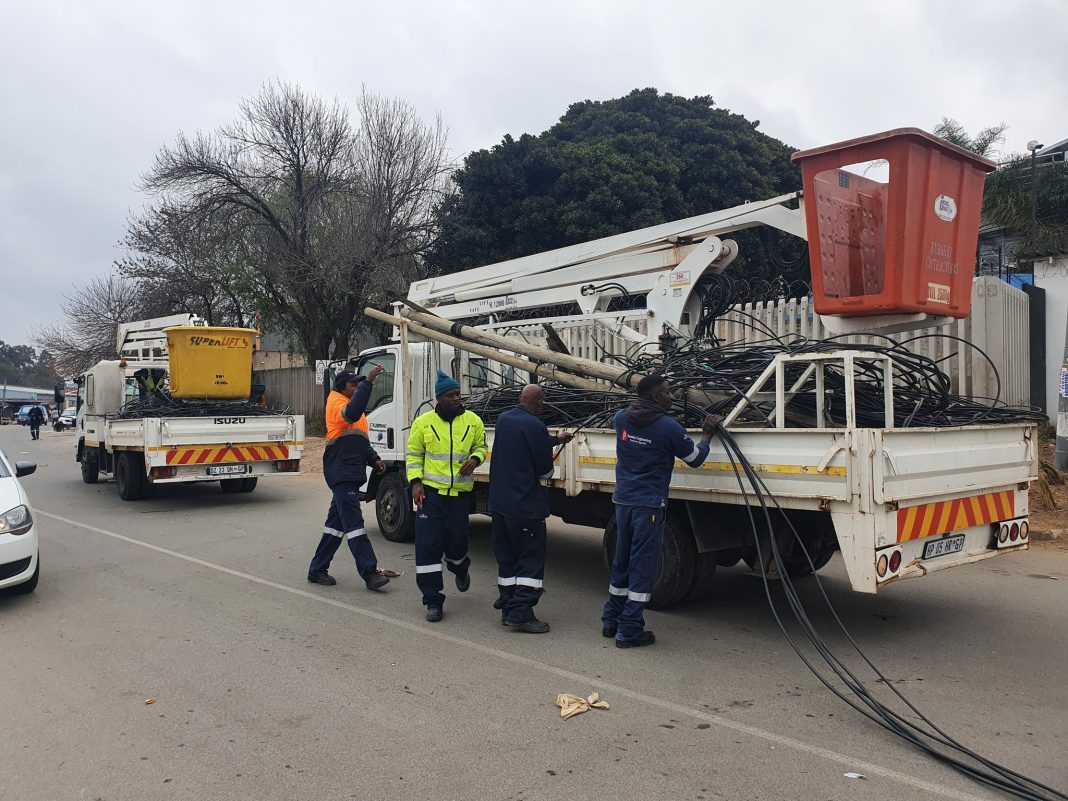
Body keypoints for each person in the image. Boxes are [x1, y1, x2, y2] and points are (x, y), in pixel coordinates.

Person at [602, 374, 720, 648]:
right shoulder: (668, 427)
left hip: (623, 501)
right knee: (643, 565)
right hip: (648, 505)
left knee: (621, 561)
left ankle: (611, 620)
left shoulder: (621, 418)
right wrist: (706, 435)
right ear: (655, 397)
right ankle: (629, 631)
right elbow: (695, 459)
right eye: (667, 392)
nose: (672, 396)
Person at [488, 384, 573, 633]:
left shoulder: (504, 419)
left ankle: (508, 607)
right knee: (530, 559)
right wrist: (548, 452)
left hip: (500, 504)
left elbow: (522, 442)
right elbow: (545, 470)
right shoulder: (535, 425)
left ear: (519, 398)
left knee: (507, 558)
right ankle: (522, 612)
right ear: (540, 403)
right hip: (524, 506)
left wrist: (555, 440)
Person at [406, 370, 488, 622]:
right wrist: (415, 482)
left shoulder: (473, 421)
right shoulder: (423, 422)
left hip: (459, 497)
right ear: (439, 398)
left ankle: (459, 567)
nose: (456, 398)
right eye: (450, 395)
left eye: (458, 394)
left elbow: (481, 446)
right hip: (430, 495)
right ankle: (433, 599)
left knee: (457, 541)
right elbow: (414, 455)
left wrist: (476, 459)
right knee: (427, 547)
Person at [307, 366, 392, 591]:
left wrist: (374, 459)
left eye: (358, 385)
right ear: (341, 386)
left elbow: (360, 443)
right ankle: (370, 573)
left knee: (335, 526)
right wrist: (368, 383)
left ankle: (317, 569)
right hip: (341, 472)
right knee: (355, 525)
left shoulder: (356, 411)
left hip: (350, 472)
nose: (356, 388)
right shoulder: (336, 402)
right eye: (353, 385)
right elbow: (351, 413)